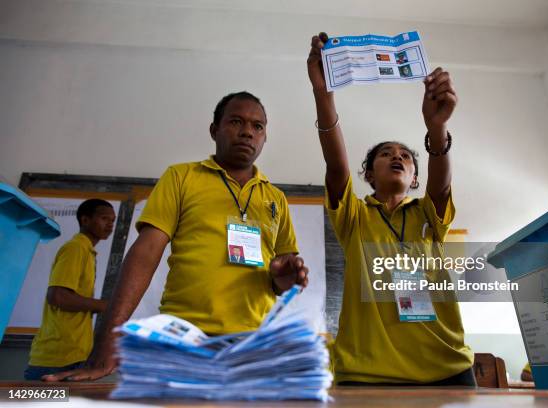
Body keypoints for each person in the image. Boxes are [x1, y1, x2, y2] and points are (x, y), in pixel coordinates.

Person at [43, 91, 309, 382]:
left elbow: (281, 280)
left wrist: (286, 279)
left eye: (258, 126)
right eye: (236, 122)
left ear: (265, 137)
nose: (247, 132)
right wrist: (108, 342)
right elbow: (143, 257)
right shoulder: (181, 177)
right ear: (214, 130)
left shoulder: (275, 198)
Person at [307, 33, 474, 385]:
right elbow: (336, 167)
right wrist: (324, 94)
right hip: (367, 372)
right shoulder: (355, 216)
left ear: (414, 178)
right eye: (386, 154)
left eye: (406, 156)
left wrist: (437, 128)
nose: (397, 156)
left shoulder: (427, 213)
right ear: (369, 174)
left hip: (446, 368)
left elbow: (441, 184)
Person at [24, 199, 115, 380]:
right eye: (104, 218)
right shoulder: (75, 248)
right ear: (85, 220)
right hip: (58, 358)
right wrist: (105, 306)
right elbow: (58, 297)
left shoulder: (87, 251)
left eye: (113, 220)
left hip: (74, 354)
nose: (110, 225)